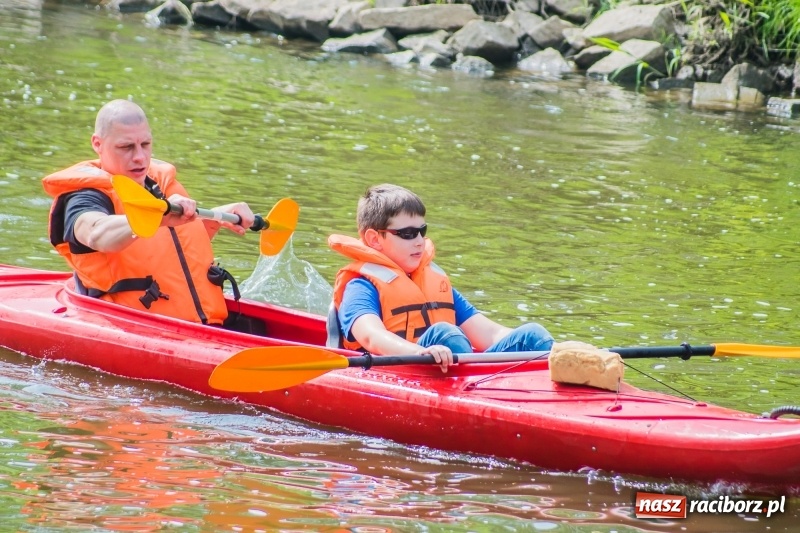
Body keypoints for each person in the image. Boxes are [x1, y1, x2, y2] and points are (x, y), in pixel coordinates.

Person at [42, 99, 255, 325]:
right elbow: (96, 233)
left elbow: (172, 249)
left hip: (203, 326)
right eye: (126, 147)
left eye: (145, 144)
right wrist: (156, 217)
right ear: (98, 144)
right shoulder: (85, 197)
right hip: (129, 326)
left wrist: (217, 217)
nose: (140, 157)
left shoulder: (158, 184)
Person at [328, 183, 554, 372]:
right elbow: (371, 337)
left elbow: (490, 333)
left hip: (452, 368)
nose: (419, 241)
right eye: (408, 234)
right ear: (374, 239)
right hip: (402, 369)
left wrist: (559, 349)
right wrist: (420, 351)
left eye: (422, 231)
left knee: (532, 335)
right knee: (446, 333)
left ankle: (565, 366)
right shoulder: (361, 287)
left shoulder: (434, 282)